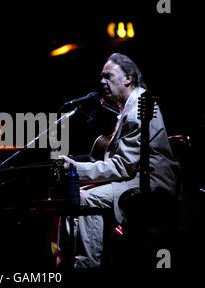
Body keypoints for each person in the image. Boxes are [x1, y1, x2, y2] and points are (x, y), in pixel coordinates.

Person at [58, 53, 180, 268]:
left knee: (87, 198)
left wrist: (77, 170)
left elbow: (123, 165)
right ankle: (66, 260)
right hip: (133, 176)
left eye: (108, 76)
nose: (102, 82)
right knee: (75, 194)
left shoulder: (137, 109)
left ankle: (88, 265)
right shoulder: (129, 106)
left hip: (150, 182)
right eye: (101, 77)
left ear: (128, 78)